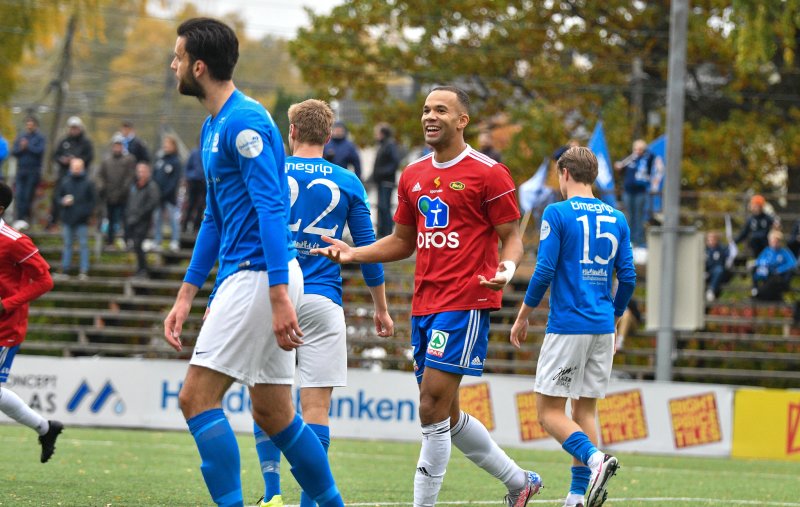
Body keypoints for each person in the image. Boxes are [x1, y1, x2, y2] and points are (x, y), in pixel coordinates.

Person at [313, 85, 541, 507]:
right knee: (446, 415)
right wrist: (353, 252)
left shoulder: (489, 172)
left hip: (466, 301)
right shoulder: (413, 175)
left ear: (462, 120)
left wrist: (505, 271)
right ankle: (519, 483)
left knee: (430, 406)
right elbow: (403, 241)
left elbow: (512, 238)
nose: (429, 116)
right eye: (425, 110)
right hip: (425, 304)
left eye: (440, 110)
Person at [163, 18, 344, 507]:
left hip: (260, 276)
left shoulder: (245, 122)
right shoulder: (213, 125)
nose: (173, 64)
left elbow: (271, 209)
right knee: (273, 412)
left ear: (199, 67)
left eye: (178, 56)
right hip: (253, 276)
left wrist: (280, 294)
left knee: (195, 399)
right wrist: (186, 293)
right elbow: (214, 219)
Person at [253, 99, 394, 507]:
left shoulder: (271, 172)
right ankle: (310, 502)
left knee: (265, 399)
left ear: (291, 131)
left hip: (275, 295)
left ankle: (271, 493)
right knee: (316, 406)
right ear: (330, 136)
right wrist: (380, 308)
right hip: (321, 298)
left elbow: (246, 233)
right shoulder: (348, 182)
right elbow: (368, 252)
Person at [509, 146, 636, 507]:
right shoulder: (618, 218)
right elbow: (627, 277)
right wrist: (614, 316)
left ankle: (596, 460)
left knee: (548, 413)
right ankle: (577, 496)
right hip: (601, 326)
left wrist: (523, 314)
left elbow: (544, 270)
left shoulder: (557, 212)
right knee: (584, 412)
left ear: (564, 173)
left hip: (568, 325)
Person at [0, 182, 63, 463]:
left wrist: (6, 304)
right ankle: (46, 428)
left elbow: (45, 280)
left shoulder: (14, 240)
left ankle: (45, 428)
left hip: (5, 328)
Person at [56, 158, 96, 280]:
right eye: (74, 167)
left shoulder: (88, 182)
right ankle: (65, 269)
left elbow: (93, 201)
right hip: (68, 218)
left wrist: (86, 213)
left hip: (82, 220)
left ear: (82, 168)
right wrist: (63, 201)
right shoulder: (65, 181)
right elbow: (57, 197)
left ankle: (84, 270)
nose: (76, 169)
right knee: (67, 244)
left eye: (78, 167)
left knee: (83, 245)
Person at [50, 116, 93, 228]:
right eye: (72, 128)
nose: (74, 130)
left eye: (76, 128)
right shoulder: (64, 141)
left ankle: (80, 221)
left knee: (79, 199)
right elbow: (55, 155)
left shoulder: (85, 142)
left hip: (80, 178)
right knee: (59, 197)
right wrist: (63, 160)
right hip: (64, 175)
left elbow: (89, 157)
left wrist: (76, 161)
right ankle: (55, 220)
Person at [97, 133, 136, 247]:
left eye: (119, 145)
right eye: (115, 145)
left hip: (124, 196)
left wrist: (122, 190)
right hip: (109, 196)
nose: (117, 148)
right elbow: (100, 175)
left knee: (125, 219)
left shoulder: (129, 160)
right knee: (110, 219)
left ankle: (126, 240)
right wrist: (102, 187)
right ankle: (110, 241)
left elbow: (130, 177)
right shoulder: (106, 161)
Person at [614, 139, 654, 248]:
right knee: (629, 216)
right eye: (636, 149)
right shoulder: (629, 159)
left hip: (640, 192)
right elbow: (620, 169)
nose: (638, 151)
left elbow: (652, 159)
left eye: (640, 149)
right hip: (628, 192)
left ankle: (639, 240)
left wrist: (644, 153)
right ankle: (629, 240)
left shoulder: (647, 158)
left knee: (639, 216)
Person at [125, 162, 160, 278]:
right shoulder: (133, 186)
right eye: (139, 171)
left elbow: (152, 203)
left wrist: (140, 215)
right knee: (135, 245)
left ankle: (143, 270)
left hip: (144, 221)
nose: (140, 174)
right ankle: (140, 269)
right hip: (132, 220)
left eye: (143, 171)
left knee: (139, 244)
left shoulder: (152, 186)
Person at [11, 116, 46, 230]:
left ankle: (26, 219)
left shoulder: (39, 138)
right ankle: (19, 219)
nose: (29, 126)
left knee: (28, 196)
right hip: (21, 170)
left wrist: (28, 146)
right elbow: (15, 152)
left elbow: (39, 151)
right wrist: (21, 147)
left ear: (35, 125)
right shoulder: (21, 137)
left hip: (33, 171)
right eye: (28, 124)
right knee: (19, 195)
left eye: (31, 124)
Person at [152, 134, 183, 252]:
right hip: (158, 197)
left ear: (174, 146)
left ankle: (175, 241)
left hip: (169, 197)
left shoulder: (176, 161)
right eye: (164, 144)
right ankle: (157, 241)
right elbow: (154, 176)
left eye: (168, 144)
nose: (165, 146)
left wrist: (165, 193)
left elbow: (174, 181)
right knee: (157, 219)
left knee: (173, 219)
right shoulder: (160, 159)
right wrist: (156, 193)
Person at [370, 122, 402, 238]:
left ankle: (387, 234)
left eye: (377, 133)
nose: (375, 135)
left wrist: (381, 173)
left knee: (385, 207)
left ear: (383, 133)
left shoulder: (390, 145)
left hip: (387, 182)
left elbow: (395, 162)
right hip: (381, 182)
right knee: (380, 207)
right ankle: (381, 232)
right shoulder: (383, 145)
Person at [751, 230, 797, 301]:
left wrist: (780, 269)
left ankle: (759, 295)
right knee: (756, 270)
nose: (775, 244)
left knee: (774, 282)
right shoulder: (767, 251)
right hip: (768, 275)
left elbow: (792, 263)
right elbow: (759, 261)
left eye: (777, 241)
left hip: (779, 278)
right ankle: (756, 290)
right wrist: (765, 263)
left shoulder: (784, 252)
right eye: (773, 241)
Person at [735, 194, 775, 259]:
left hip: (765, 243)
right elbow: (744, 233)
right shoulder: (750, 219)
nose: (756, 207)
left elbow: (775, 228)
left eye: (758, 205)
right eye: (754, 205)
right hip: (755, 244)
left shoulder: (768, 218)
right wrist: (735, 241)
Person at [181, 143, 205, 233]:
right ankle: (184, 225)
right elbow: (187, 167)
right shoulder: (194, 153)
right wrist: (189, 176)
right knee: (190, 203)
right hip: (193, 182)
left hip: (204, 182)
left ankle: (196, 226)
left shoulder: (207, 152)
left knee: (201, 205)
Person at [705, 231, 731, 303]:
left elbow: (727, 257)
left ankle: (711, 290)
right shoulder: (704, 249)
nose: (710, 241)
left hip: (717, 273)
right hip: (706, 272)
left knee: (719, 270)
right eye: (709, 239)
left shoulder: (722, 248)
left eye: (712, 239)